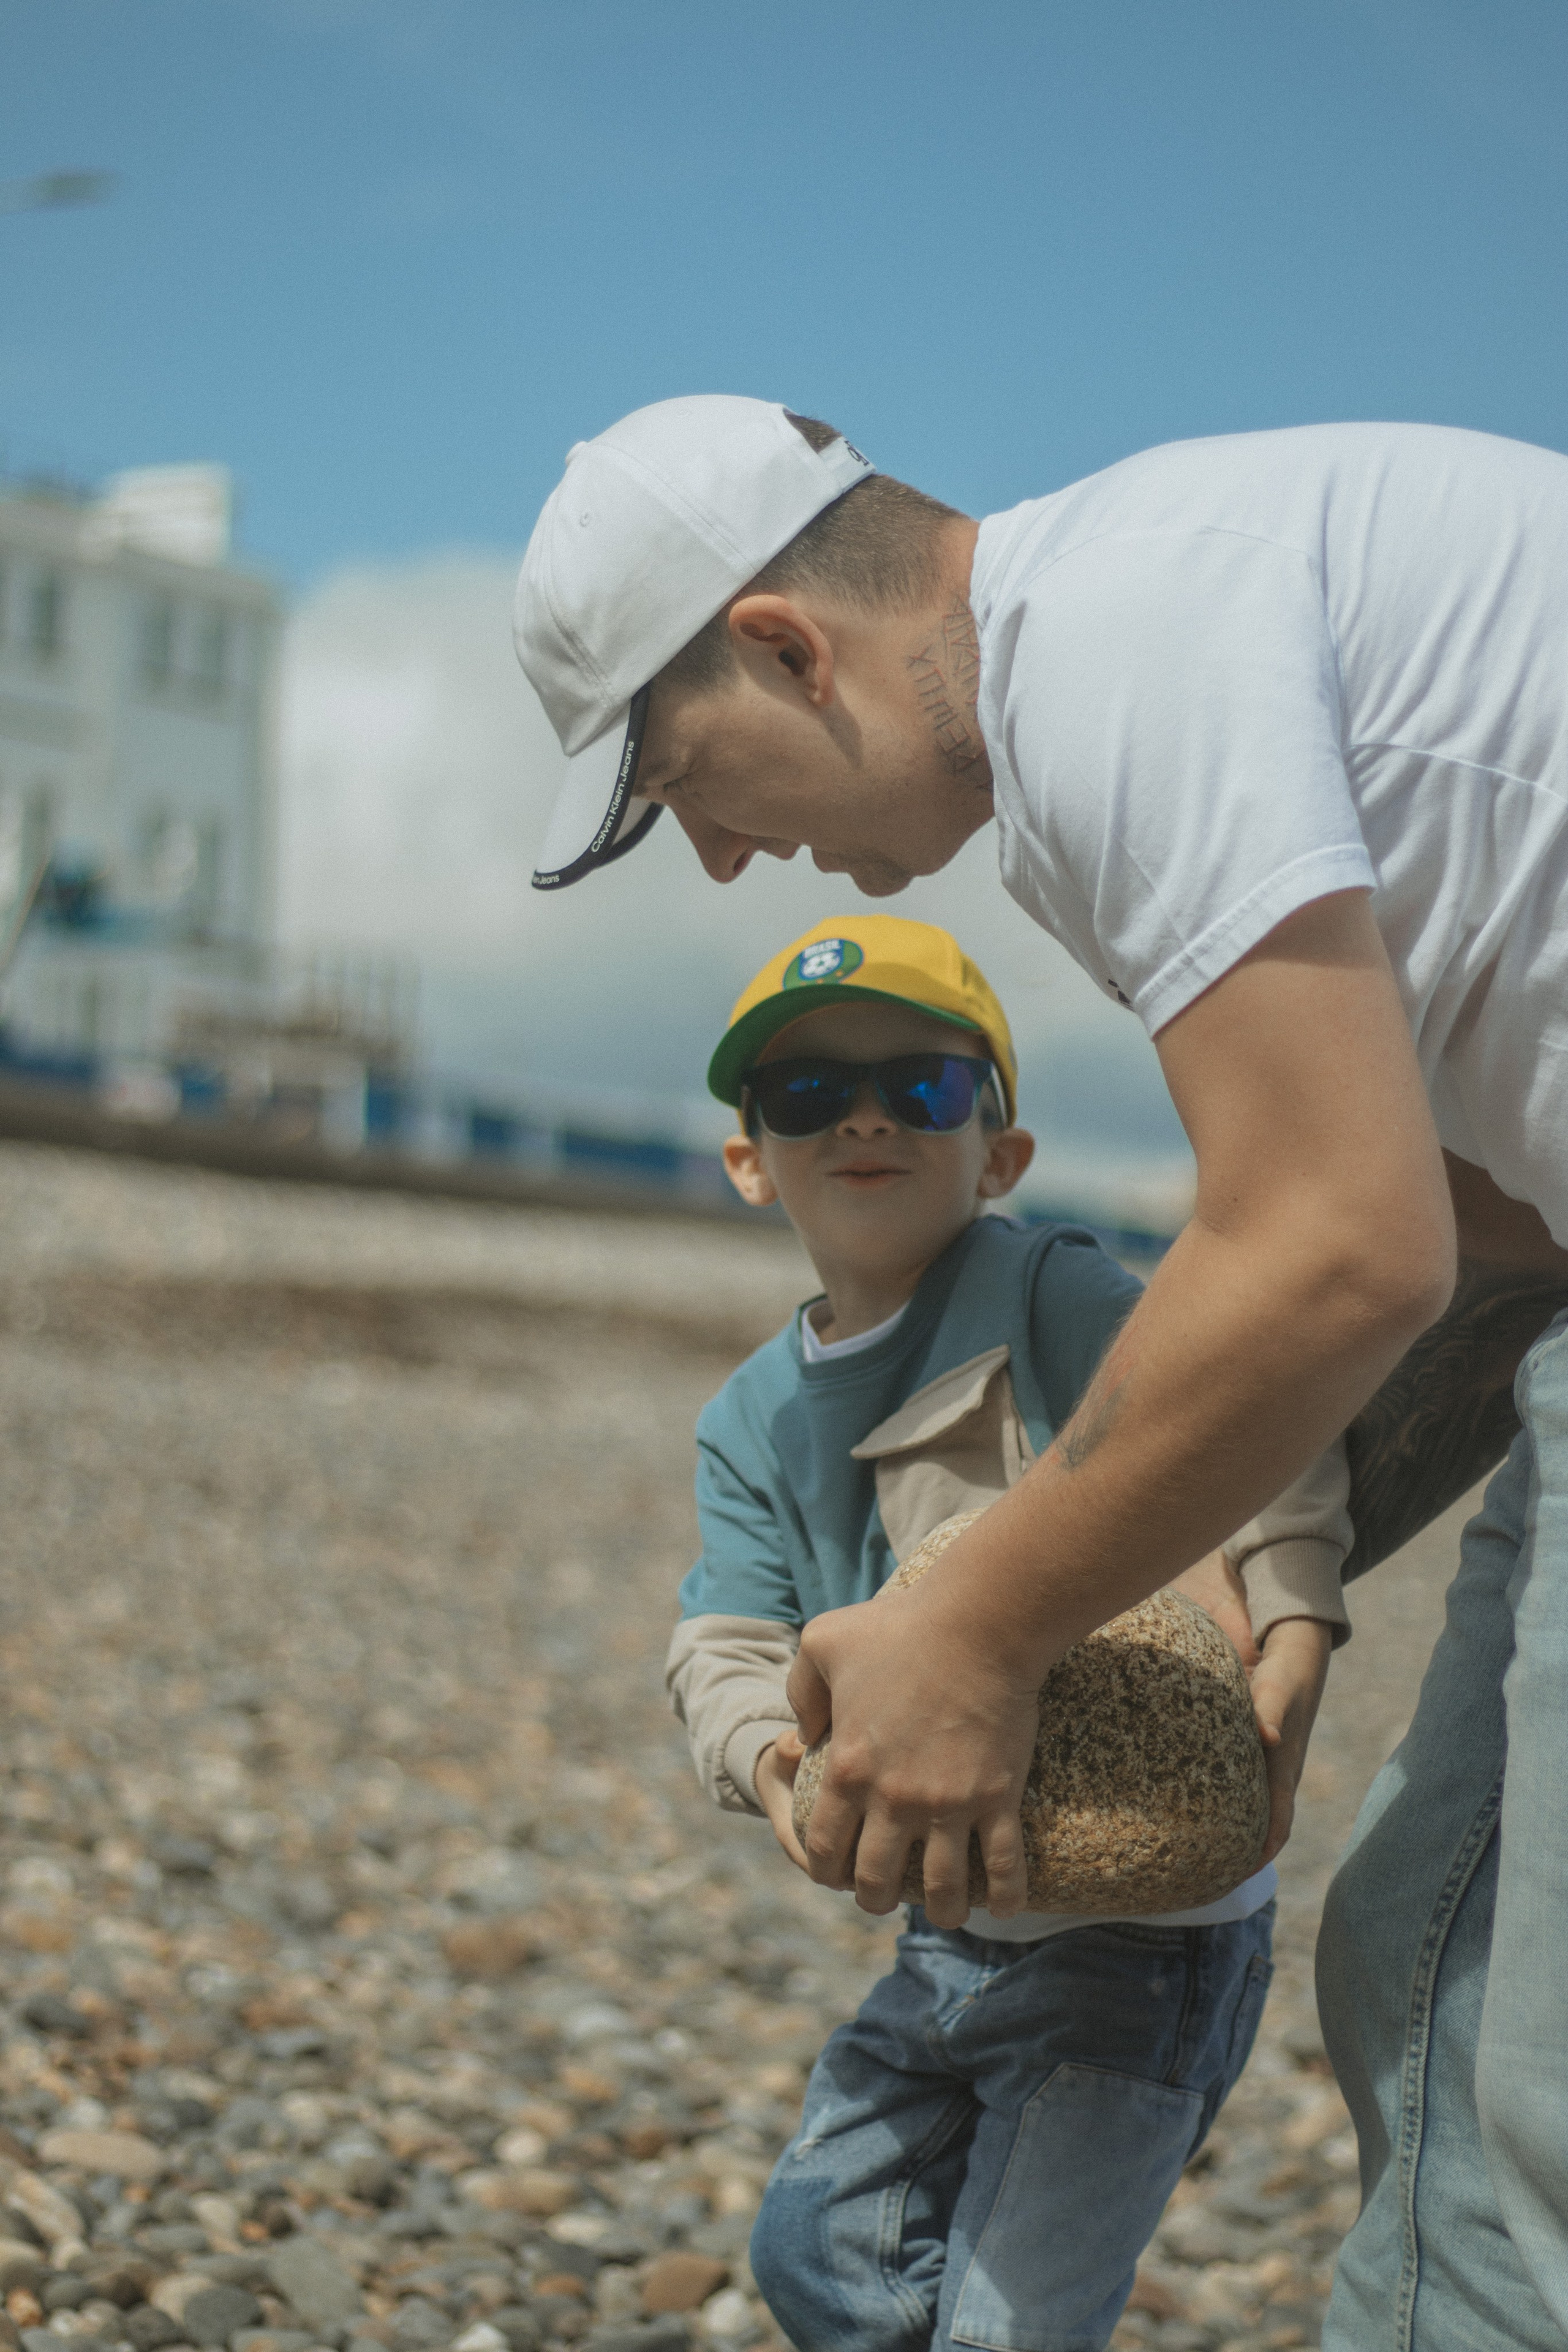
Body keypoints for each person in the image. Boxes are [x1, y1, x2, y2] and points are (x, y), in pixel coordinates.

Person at [515, 398, 1568, 2344]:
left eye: (688, 783)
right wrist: (1212, 1579)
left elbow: (1341, 1241)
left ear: (782, 645)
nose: (734, 860)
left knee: (1514, 2075)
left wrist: (983, 1624)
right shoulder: (1158, 599)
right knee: (1430, 1947)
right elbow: (1485, 1215)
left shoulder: (1112, 666)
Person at [667, 911, 1344, 2351]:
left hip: (1141, 1932)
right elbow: (722, 1639)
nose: (860, 1114)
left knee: (1014, 2321)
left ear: (999, 1153)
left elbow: (1254, 1406)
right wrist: (778, 1770)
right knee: (815, 2250)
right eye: (804, 1096)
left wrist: (1290, 1617)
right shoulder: (749, 1420)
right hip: (950, 1923)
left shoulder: (1049, 1296)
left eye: (918, 1087)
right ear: (747, 1159)